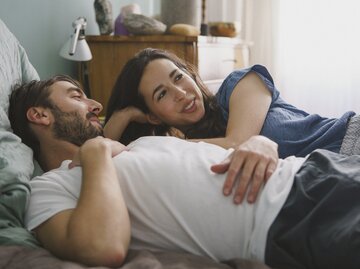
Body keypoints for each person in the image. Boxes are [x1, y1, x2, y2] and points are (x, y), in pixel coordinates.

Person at [9, 75, 360, 269]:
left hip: (315, 170)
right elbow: (103, 249)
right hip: (291, 219)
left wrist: (261, 143)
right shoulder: (48, 188)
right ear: (40, 116)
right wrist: (97, 150)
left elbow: (231, 147)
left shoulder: (138, 147)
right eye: (77, 97)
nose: (95, 104)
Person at [104, 48, 360, 160]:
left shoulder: (240, 83)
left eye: (178, 77)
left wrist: (163, 144)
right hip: (334, 178)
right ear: (153, 117)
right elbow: (102, 152)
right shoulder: (192, 153)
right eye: (162, 94)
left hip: (351, 141)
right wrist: (122, 116)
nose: (181, 93)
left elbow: (238, 144)